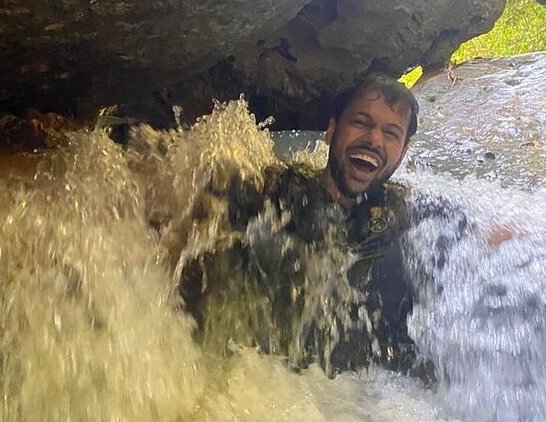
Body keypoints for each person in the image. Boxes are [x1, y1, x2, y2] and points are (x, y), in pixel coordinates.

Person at [179, 73, 465, 380]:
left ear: (403, 153)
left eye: (391, 133)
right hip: (255, 378)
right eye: (361, 122)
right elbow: (199, 196)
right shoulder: (273, 189)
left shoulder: (409, 211)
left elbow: (471, 233)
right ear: (330, 130)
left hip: (366, 390)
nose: (374, 140)